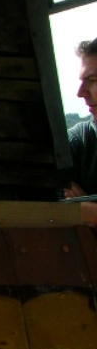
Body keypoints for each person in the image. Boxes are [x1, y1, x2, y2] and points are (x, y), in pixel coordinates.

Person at [66, 38, 97, 224]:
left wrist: (88, 212)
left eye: (93, 81)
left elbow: (75, 212)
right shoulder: (78, 141)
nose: (81, 92)